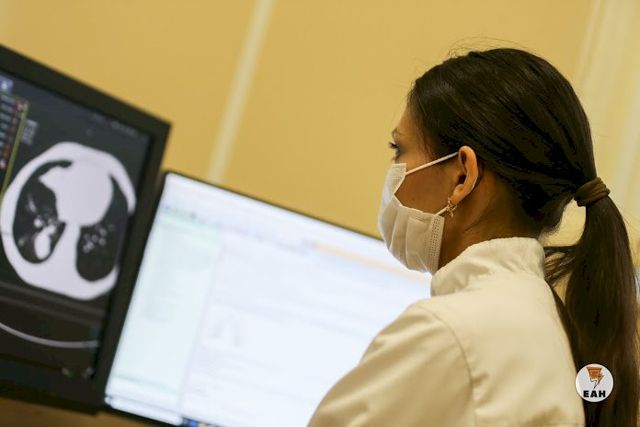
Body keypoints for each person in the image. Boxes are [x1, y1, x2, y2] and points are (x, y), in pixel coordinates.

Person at [307, 48, 639, 426]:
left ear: (463, 176)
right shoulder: (542, 322)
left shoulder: (451, 334)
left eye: (399, 150)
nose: (393, 170)